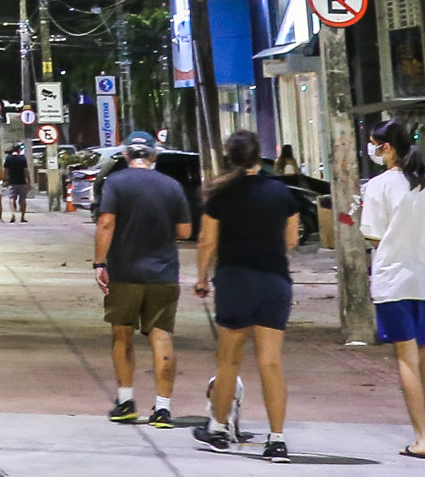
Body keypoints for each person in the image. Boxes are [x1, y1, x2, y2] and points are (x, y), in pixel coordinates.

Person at [193, 130, 305, 461]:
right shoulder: (280, 192)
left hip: (234, 279)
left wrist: (201, 278)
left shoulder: (221, 194)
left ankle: (217, 429)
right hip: (274, 281)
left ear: (230, 157)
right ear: (260, 156)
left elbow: (207, 241)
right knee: (271, 361)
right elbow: (292, 239)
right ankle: (277, 440)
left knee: (229, 360)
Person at [358, 119, 425, 457]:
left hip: (393, 281)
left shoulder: (378, 186)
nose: (372, 150)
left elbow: (373, 236)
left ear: (386, 147)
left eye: (374, 144)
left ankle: (419, 439)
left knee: (406, 358)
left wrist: (400, 235)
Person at [97, 132, 194, 426]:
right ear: (154, 156)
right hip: (163, 274)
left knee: (121, 333)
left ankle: (126, 402)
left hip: (124, 273)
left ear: (127, 156)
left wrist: (100, 262)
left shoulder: (115, 183)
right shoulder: (172, 186)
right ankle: (162, 409)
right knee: (161, 336)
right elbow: (186, 231)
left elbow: (106, 222)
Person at [2, 145, 32, 222]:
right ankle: (22, 216)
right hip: (22, 181)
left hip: (12, 181)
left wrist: (5, 180)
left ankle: (13, 213)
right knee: (23, 199)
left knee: (12, 198)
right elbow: (26, 171)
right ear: (18, 150)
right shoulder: (22, 158)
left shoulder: (8, 158)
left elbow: (5, 170)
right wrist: (29, 182)